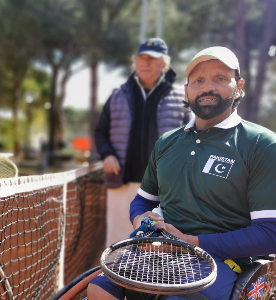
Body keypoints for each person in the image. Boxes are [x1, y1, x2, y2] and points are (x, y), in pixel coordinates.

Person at [88, 46, 276, 300]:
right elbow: (143, 200)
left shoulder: (261, 144)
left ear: (239, 86)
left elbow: (270, 232)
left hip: (218, 262)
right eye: (198, 80)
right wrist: (140, 220)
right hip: (156, 253)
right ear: (186, 92)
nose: (207, 87)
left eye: (220, 78)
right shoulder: (166, 142)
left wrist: (192, 241)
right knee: (98, 289)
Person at [94, 37, 190, 247]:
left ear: (164, 63)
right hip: (121, 182)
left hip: (163, 187)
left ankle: (146, 280)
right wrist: (108, 155)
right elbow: (100, 132)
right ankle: (114, 278)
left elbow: (191, 139)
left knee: (156, 243)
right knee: (117, 240)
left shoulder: (180, 98)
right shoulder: (117, 95)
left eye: (153, 59)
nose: (146, 63)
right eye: (142, 58)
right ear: (135, 62)